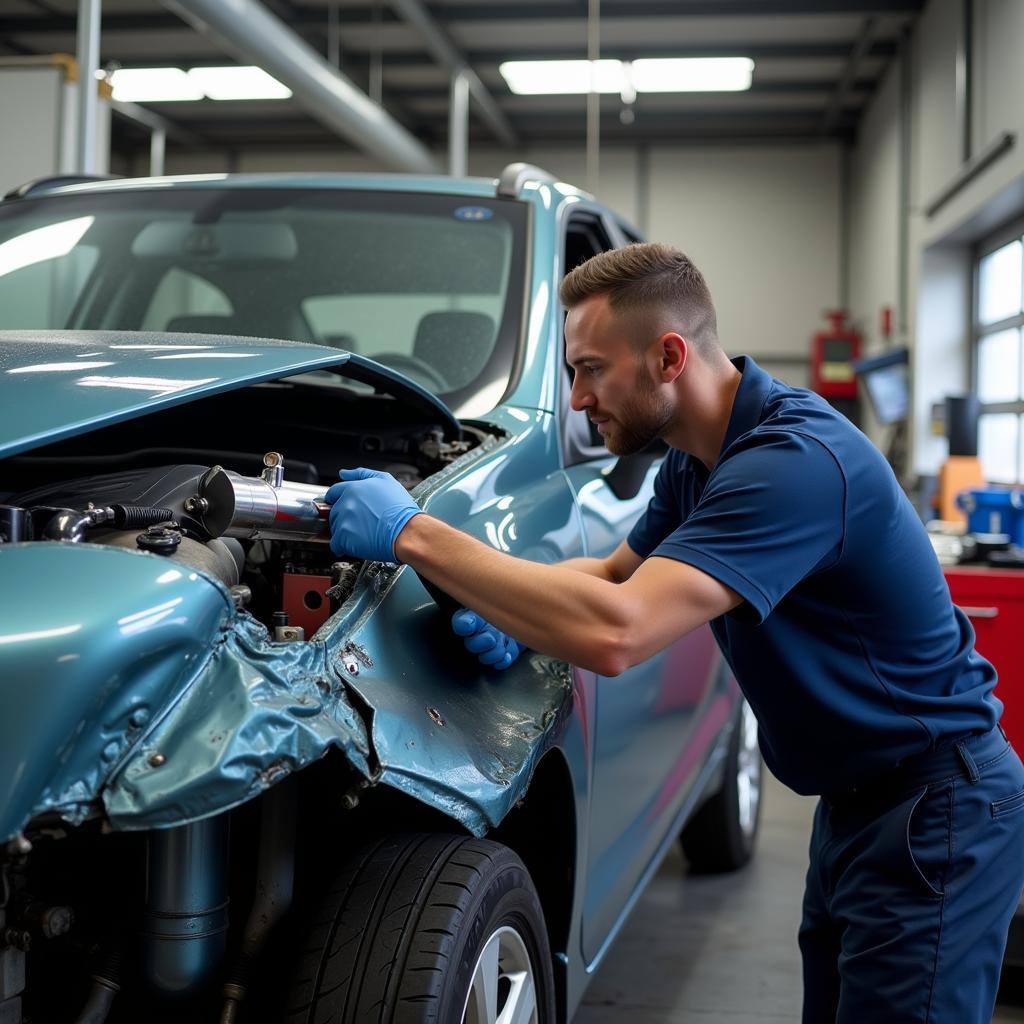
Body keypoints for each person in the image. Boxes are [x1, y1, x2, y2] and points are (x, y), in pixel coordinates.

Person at [324, 242, 1024, 1023]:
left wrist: (414, 534)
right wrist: (509, 615)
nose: (579, 398)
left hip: (935, 811)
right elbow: (615, 577)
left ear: (668, 356)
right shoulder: (695, 464)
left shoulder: (792, 463)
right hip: (858, 806)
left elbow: (619, 632)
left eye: (591, 369)